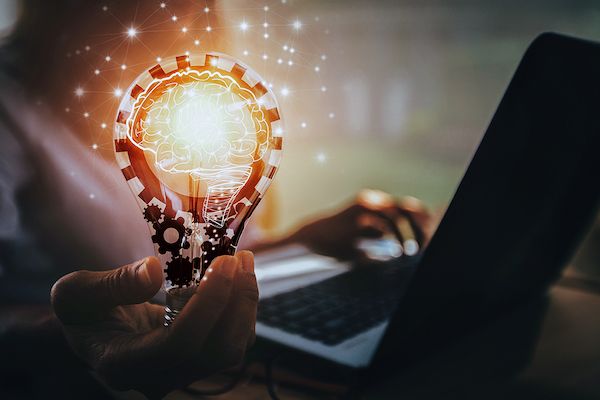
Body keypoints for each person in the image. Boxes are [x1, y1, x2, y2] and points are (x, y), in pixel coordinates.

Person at [0, 0, 432, 397]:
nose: (172, 27)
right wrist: (71, 333)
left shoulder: (190, 98)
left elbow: (216, 257)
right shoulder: (12, 107)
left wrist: (303, 241)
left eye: (187, 11)